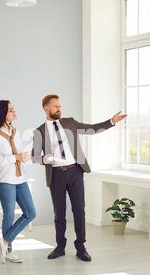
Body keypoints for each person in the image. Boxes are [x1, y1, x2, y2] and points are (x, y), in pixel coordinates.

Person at [32, 94, 127, 262]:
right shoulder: (39, 131)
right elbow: (34, 156)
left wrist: (111, 121)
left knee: (79, 211)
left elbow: (92, 129)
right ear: (46, 108)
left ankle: (81, 247)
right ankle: (60, 246)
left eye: (60, 106)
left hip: (75, 171)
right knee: (59, 213)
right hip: (56, 175)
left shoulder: (70, 122)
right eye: (55, 106)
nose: (59, 109)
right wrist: (43, 159)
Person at [0, 100, 36, 264]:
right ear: (3, 114)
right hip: (5, 179)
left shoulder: (15, 131)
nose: (14, 111)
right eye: (11, 110)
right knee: (9, 215)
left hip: (20, 177)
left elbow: (16, 153)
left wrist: (24, 157)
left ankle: (4, 242)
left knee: (30, 213)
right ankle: (8, 251)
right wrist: (15, 157)